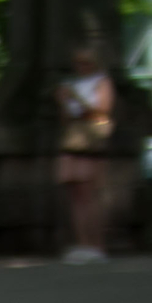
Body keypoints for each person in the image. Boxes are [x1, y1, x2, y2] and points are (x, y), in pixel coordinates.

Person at [56, 46, 115, 263]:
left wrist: (77, 99)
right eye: (78, 62)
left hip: (91, 141)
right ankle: (82, 243)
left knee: (90, 195)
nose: (81, 66)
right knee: (75, 195)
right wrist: (62, 102)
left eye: (86, 62)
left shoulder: (102, 81)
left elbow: (102, 111)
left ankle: (97, 244)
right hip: (73, 139)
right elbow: (66, 118)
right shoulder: (70, 83)